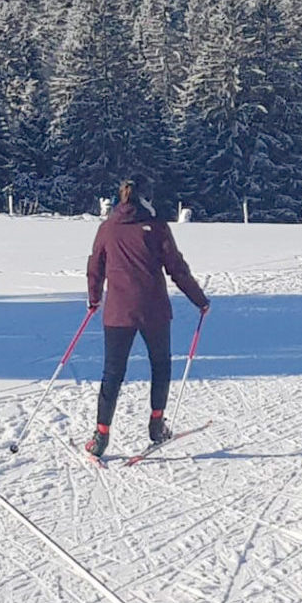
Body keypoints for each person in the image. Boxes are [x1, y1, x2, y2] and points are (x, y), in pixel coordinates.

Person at [84, 174, 209, 460]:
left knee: (112, 373)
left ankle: (101, 435)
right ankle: (156, 424)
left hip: (118, 311)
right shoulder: (157, 227)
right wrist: (199, 300)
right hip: (154, 310)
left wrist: (94, 299)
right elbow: (177, 268)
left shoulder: (108, 228)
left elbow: (95, 267)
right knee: (160, 366)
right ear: (145, 197)